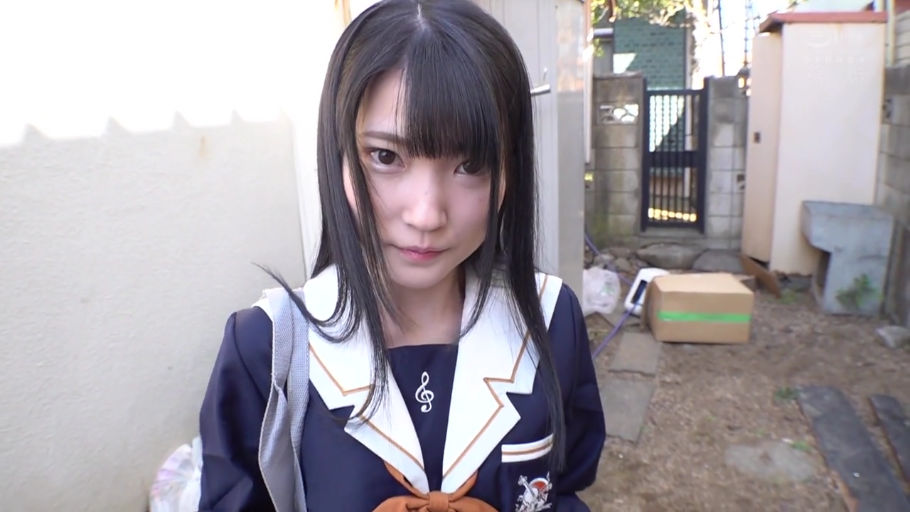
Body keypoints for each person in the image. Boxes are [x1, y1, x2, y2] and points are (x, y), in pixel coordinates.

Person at [197, 0, 606, 510]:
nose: (427, 214)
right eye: (386, 156)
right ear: (337, 154)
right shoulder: (268, 347)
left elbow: (565, 488)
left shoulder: (550, 317)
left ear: (511, 169)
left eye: (472, 164)